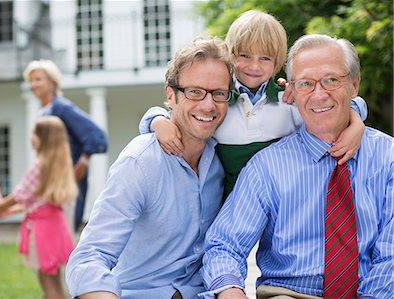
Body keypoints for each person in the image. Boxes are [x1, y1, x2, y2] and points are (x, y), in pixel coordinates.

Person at [200, 34, 394, 299]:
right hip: (290, 294)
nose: (318, 94)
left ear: (354, 84)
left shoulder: (388, 157)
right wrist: (230, 290)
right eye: (305, 84)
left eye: (331, 80)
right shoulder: (267, 167)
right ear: (291, 91)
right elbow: (224, 245)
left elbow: (391, 254)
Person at [65, 37, 234, 299]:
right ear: (171, 95)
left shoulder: (221, 158)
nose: (208, 105)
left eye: (219, 93)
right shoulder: (139, 163)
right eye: (195, 92)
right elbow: (89, 257)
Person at [139, 10, 367, 198]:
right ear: (231, 55)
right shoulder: (218, 101)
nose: (253, 66)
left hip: (285, 207)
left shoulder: (288, 99)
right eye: (244, 56)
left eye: (265, 58)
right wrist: (157, 121)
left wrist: (356, 125)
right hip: (231, 210)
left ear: (277, 61)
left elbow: (338, 106)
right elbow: (179, 114)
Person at [0, 116, 77, 299]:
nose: (31, 138)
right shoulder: (58, 166)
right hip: (56, 227)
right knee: (55, 282)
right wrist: (9, 212)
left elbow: (19, 195)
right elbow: (38, 202)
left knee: (47, 283)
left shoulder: (39, 166)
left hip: (43, 232)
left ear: (45, 138)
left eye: (35, 133)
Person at [23, 59, 108, 231]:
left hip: (69, 181)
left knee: (64, 233)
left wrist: (83, 162)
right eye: (31, 80)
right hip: (53, 181)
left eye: (38, 79)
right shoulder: (43, 111)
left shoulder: (61, 108)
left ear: (53, 83)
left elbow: (97, 136)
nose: (33, 84)